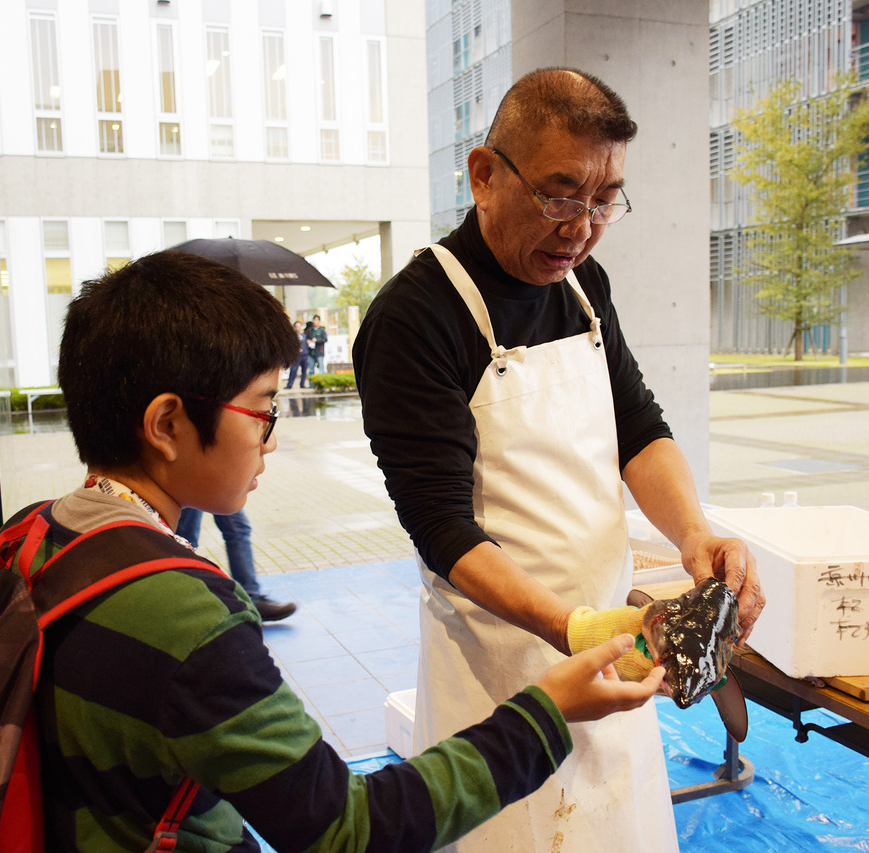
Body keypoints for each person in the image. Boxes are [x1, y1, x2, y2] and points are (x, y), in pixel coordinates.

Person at [37, 248, 667, 851]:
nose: (272, 440)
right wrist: (547, 713)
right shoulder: (186, 616)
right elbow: (347, 830)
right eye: (264, 411)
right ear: (167, 426)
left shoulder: (38, 535)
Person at [352, 68, 766, 852]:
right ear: (484, 174)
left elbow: (638, 428)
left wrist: (694, 534)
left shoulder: (582, 286)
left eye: (604, 200)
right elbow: (441, 528)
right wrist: (568, 625)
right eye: (558, 194)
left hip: (613, 646)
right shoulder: (416, 316)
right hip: (502, 672)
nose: (580, 226)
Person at [174, 506, 297, 621]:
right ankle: (181, 600)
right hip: (197, 484)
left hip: (214, 483)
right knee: (186, 539)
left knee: (237, 529)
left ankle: (250, 598)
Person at [285, 319, 310, 388]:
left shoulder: (305, 336)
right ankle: (290, 385)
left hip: (305, 355)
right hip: (296, 356)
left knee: (304, 371)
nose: (298, 328)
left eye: (299, 326)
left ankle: (302, 384)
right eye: (296, 326)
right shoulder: (292, 337)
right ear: (294, 327)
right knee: (293, 370)